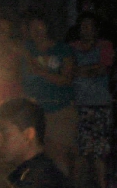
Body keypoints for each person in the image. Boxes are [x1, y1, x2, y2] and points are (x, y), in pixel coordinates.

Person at [21, 13, 77, 176]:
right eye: (33, 27)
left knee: (59, 156)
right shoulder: (25, 50)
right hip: (34, 112)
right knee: (34, 157)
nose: (37, 31)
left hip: (60, 110)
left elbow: (66, 79)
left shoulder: (62, 49)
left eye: (40, 26)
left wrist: (39, 70)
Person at [71, 13, 114, 188]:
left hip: (100, 106)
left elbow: (104, 69)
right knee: (80, 153)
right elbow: (70, 71)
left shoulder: (105, 46)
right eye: (83, 25)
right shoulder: (71, 48)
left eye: (90, 25)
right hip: (79, 106)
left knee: (99, 154)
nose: (86, 29)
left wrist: (81, 71)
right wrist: (89, 70)